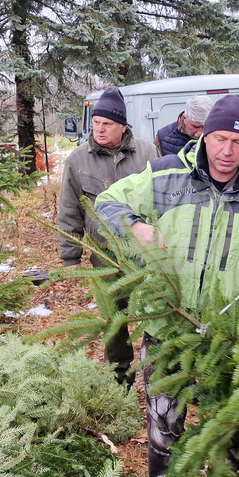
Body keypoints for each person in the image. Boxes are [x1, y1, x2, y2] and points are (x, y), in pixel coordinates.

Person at [94, 95, 239, 477]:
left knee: (238, 419)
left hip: (228, 333)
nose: (227, 151)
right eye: (220, 138)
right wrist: (137, 225)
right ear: (204, 134)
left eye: (238, 143)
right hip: (167, 325)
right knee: (164, 422)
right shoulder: (165, 175)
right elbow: (106, 203)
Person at [58, 86, 158, 386]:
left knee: (156, 313)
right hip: (105, 257)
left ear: (123, 126)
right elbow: (68, 210)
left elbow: (163, 197)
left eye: (107, 124)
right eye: (96, 123)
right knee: (114, 322)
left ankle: (162, 376)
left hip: (144, 254)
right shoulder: (77, 160)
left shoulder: (148, 152)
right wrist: (70, 258)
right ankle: (121, 380)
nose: (99, 129)